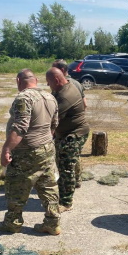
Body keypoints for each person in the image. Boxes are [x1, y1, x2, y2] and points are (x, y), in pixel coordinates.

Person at [0, 69, 61, 235]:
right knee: (48, 186)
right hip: (47, 148)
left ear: (18, 80)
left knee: (16, 186)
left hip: (27, 151)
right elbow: (54, 125)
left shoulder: (24, 98)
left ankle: (13, 223)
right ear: (36, 80)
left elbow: (20, 127)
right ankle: (52, 223)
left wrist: (7, 148)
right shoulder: (50, 97)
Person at [46, 67, 90, 212]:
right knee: (70, 161)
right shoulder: (67, 85)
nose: (48, 86)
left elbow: (53, 120)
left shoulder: (64, 96)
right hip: (68, 133)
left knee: (65, 167)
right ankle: (75, 182)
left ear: (57, 80)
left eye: (49, 82)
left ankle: (66, 202)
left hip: (74, 134)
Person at [52, 59, 87, 188]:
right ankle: (77, 179)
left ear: (61, 71)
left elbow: (56, 115)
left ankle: (68, 186)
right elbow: (85, 104)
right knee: (74, 156)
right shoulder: (77, 84)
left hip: (68, 130)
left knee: (65, 160)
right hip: (76, 126)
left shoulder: (63, 88)